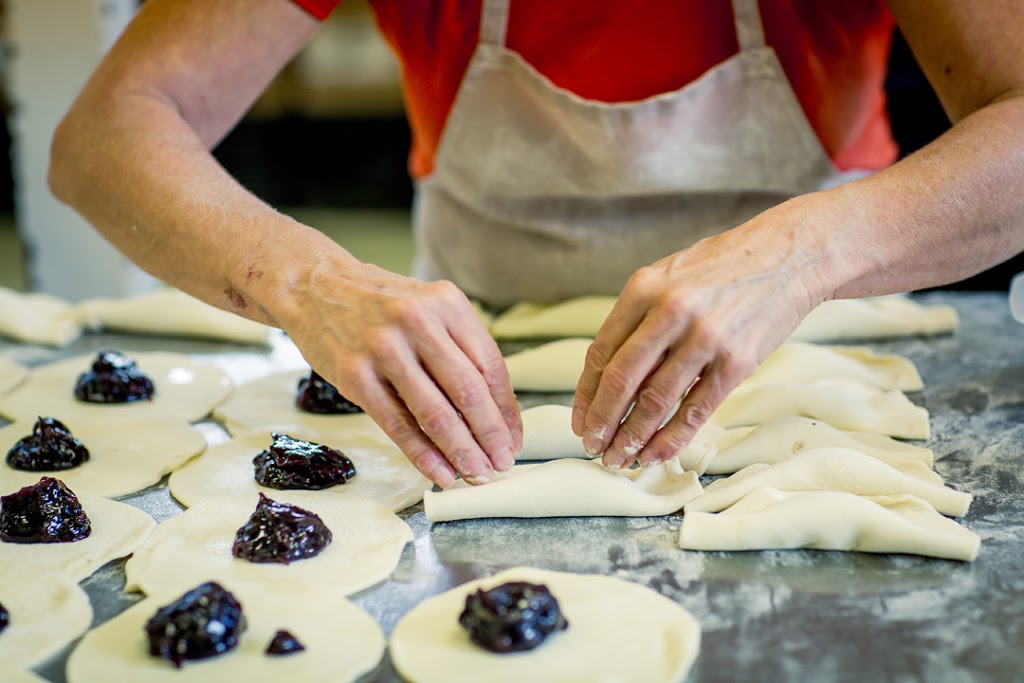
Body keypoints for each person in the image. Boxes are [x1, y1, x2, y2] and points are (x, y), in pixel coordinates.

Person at [49, 0, 1024, 488]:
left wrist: (805, 250)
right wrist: (312, 279)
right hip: (475, 352)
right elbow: (106, 135)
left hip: (820, 346)